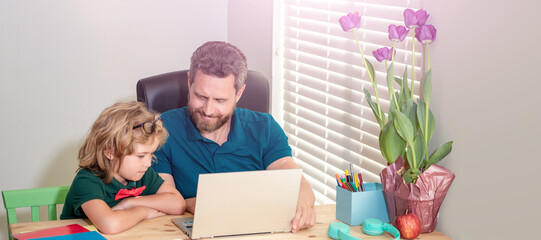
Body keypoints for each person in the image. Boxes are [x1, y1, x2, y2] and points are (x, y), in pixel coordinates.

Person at [152, 41, 315, 233]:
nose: (208, 110)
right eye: (201, 96)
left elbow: (297, 183)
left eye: (220, 100)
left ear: (239, 93)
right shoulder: (160, 131)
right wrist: (191, 204)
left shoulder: (265, 128)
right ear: (189, 82)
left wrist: (302, 204)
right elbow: (165, 203)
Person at [60, 102, 186, 234]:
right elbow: (110, 225)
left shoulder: (144, 173)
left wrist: (130, 203)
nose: (148, 163)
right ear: (110, 152)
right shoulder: (87, 181)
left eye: (151, 154)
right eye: (140, 156)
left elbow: (178, 204)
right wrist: (143, 212)